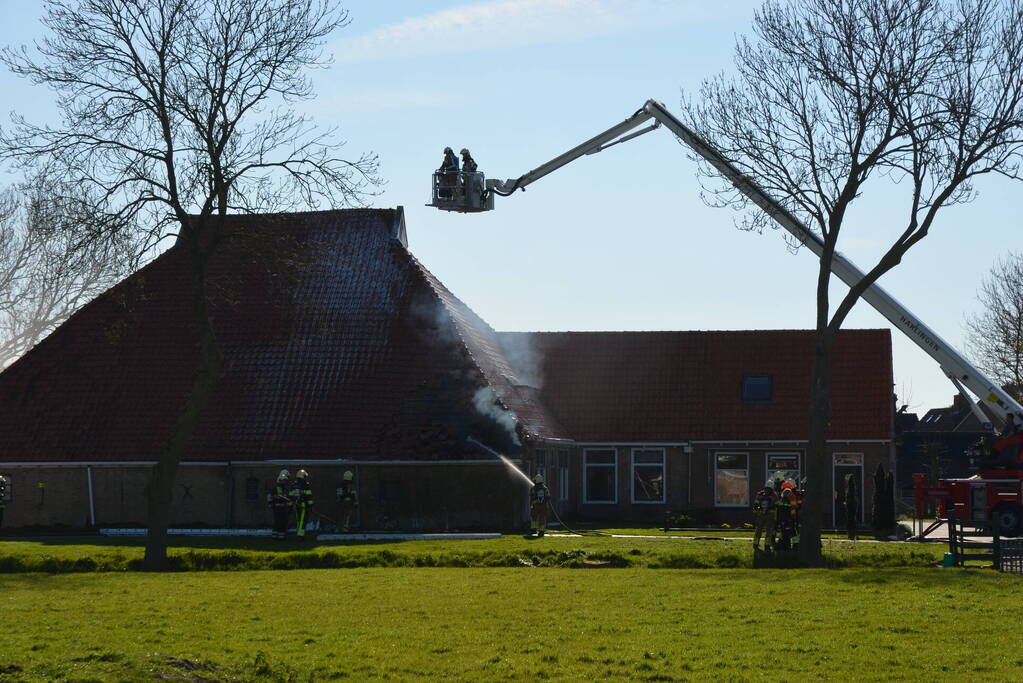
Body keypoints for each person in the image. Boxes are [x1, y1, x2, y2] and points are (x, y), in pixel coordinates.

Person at [751, 480, 778, 551]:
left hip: (761, 514)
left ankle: (755, 544)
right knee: (768, 531)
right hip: (770, 515)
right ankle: (767, 546)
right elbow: (777, 505)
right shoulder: (774, 495)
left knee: (758, 530)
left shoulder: (760, 494)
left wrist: (757, 511)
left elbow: (755, 504)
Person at [268, 469, 292, 540]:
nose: (285, 481)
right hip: (280, 507)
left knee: (277, 522)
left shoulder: (278, 487)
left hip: (278, 507)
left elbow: (270, 496)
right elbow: (274, 496)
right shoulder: (280, 487)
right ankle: (281, 537)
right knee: (281, 522)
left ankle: (275, 536)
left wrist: (270, 504)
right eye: (285, 480)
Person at [291, 469, 314, 540]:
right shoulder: (305, 485)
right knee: (303, 520)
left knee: (298, 520)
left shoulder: (294, 485)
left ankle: (298, 533)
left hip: (296, 505)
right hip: (303, 505)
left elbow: (291, 495)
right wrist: (310, 505)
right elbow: (309, 496)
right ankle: (300, 535)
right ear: (303, 476)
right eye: (305, 476)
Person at [530, 473, 550, 537]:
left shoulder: (533, 488)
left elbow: (530, 495)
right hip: (543, 506)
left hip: (535, 506)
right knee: (542, 518)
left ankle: (533, 530)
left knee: (534, 517)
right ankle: (541, 531)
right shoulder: (545, 488)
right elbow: (548, 497)